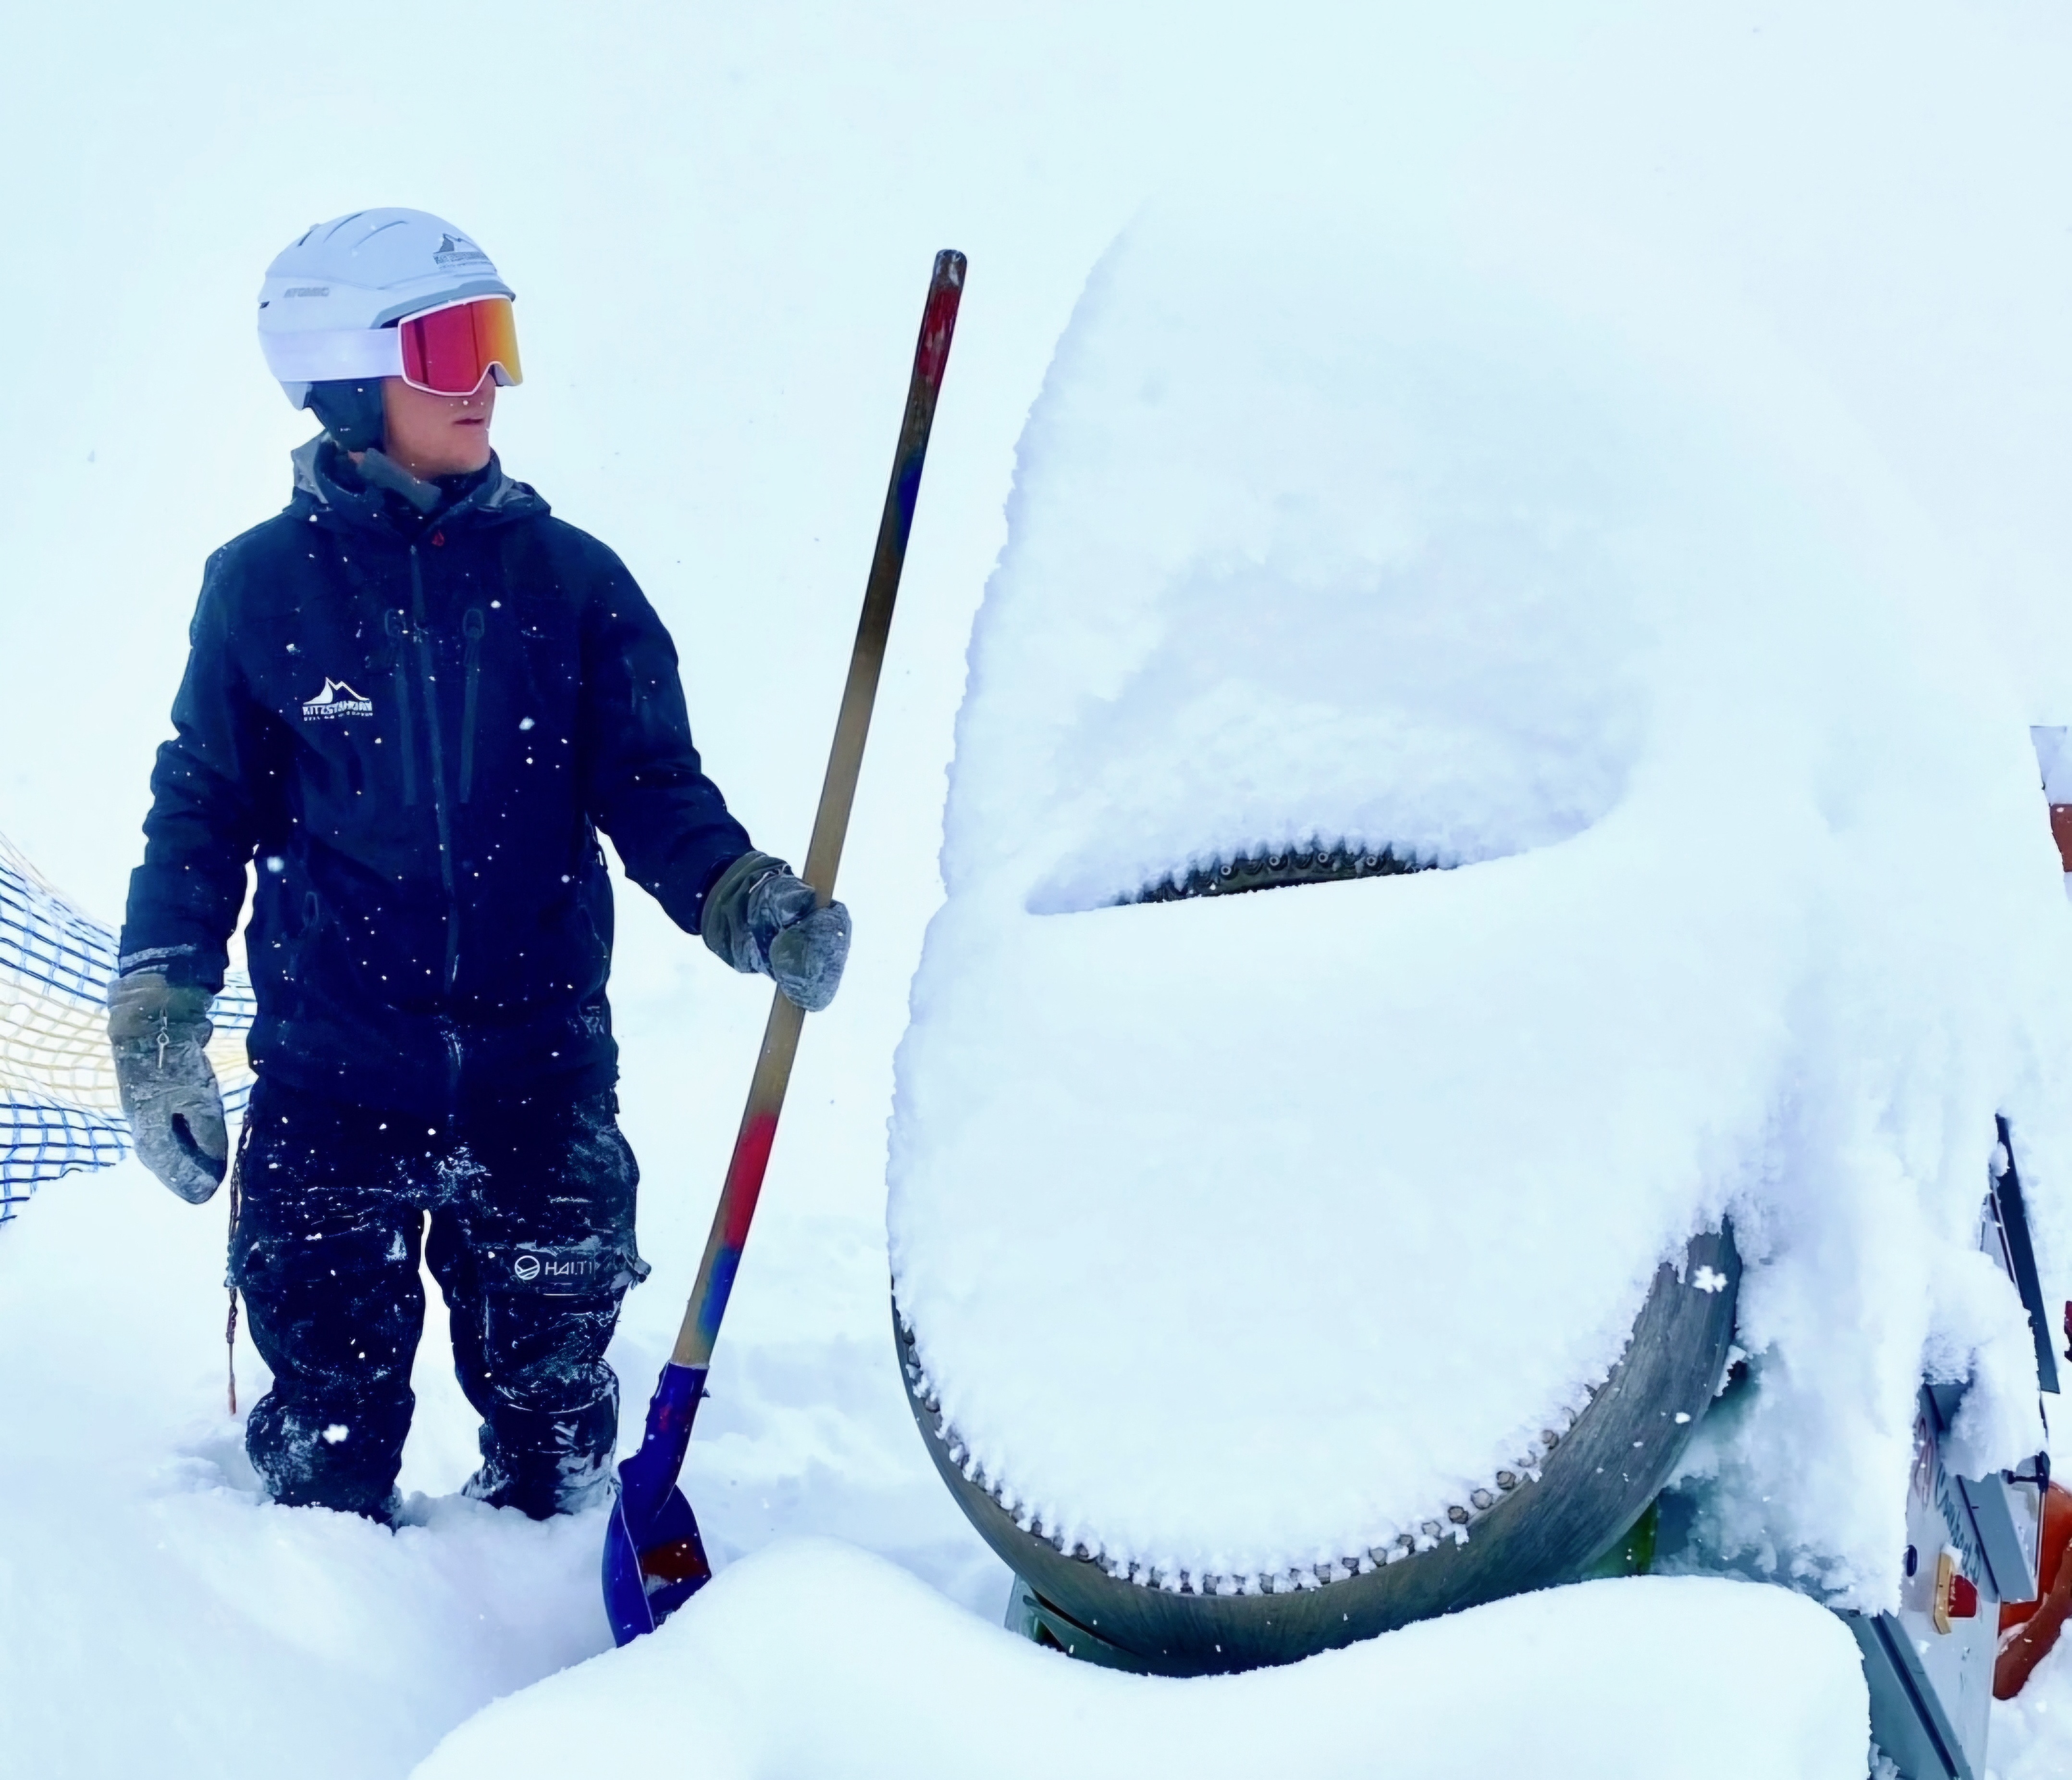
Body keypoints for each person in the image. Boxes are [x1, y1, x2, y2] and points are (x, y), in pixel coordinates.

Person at [106, 208, 849, 1524]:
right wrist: (159, 1009)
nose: (491, 381)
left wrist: (746, 902)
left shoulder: (571, 584)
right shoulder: (263, 592)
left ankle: (567, 1675)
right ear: (344, 378)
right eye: (453, 348)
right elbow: (199, 815)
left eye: (498, 344)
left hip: (537, 1082)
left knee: (557, 1452)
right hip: (333, 1090)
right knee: (323, 1470)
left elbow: (654, 791)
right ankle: (322, 1689)